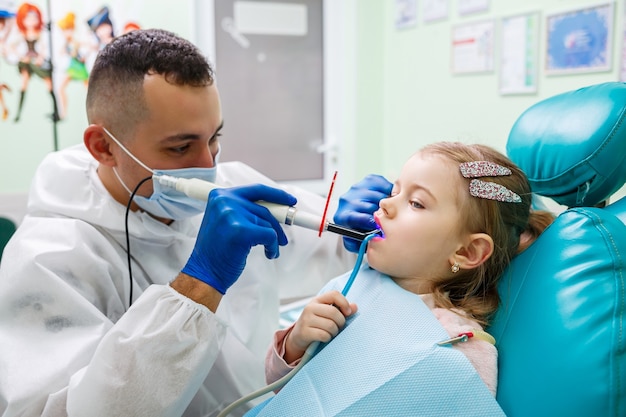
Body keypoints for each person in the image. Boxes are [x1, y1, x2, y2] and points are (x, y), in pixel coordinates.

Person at [0, 28, 390, 417]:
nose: (209, 166)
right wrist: (199, 285)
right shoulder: (48, 258)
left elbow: (327, 248)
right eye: (180, 147)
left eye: (214, 139)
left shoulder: (233, 186)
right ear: (103, 147)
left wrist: (349, 231)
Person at [260, 142, 555, 413]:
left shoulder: (458, 345)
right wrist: (296, 344)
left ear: (467, 251)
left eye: (416, 203)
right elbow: (284, 391)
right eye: (394, 192)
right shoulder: (351, 288)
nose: (385, 204)